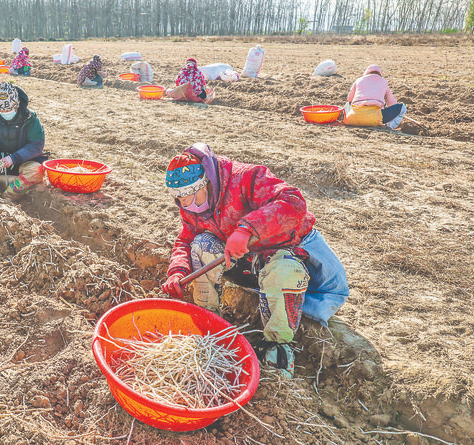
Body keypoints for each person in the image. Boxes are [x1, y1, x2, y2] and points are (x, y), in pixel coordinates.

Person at [161, 143, 349, 378]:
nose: (187, 206)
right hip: (244, 259)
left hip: (284, 248)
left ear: (206, 183)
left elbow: (293, 202)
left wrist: (247, 229)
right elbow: (186, 240)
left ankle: (277, 346)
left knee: (283, 271)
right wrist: (177, 271)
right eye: (180, 201)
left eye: (190, 198)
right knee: (202, 246)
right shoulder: (191, 207)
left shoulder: (245, 178)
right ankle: (209, 321)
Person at [344, 65, 407, 130]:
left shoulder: (358, 80)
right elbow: (392, 104)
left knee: (347, 104)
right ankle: (389, 126)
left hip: (354, 118)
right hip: (376, 118)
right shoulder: (384, 82)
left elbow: (349, 99)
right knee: (403, 107)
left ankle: (344, 118)